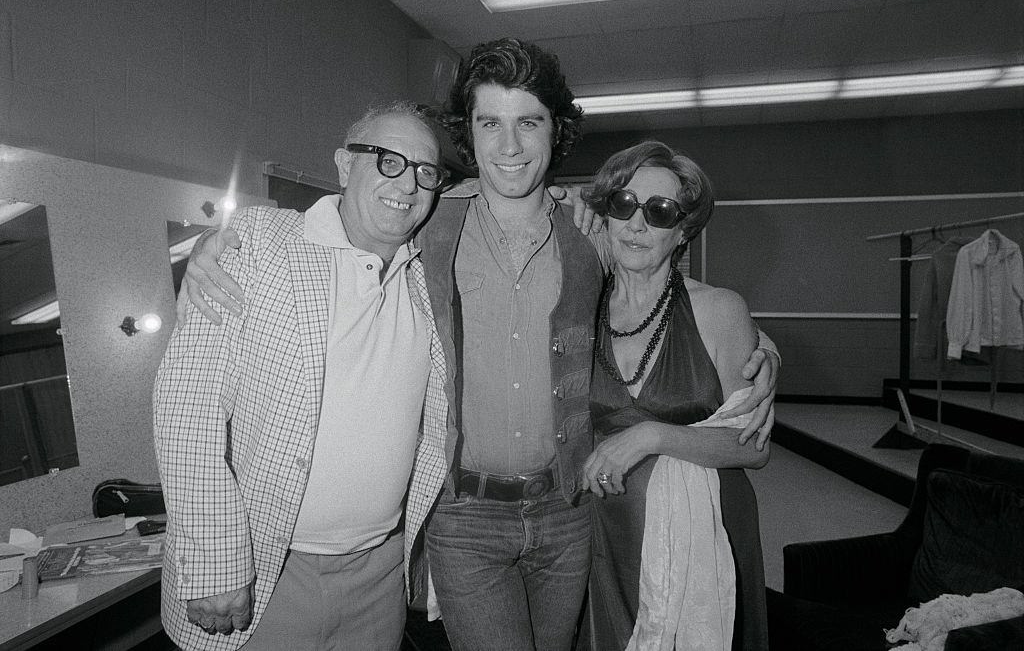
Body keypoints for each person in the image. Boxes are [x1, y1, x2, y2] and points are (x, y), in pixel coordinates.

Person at [177, 38, 779, 651]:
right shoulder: (429, 222)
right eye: (489, 123)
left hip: (568, 516)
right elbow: (351, 215)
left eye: (529, 123)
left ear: (556, 131)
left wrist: (758, 349)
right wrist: (225, 239)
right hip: (465, 519)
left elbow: (658, 291)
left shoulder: (587, 234)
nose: (509, 146)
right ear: (469, 133)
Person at [153, 101, 451, 651]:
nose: (407, 183)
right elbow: (187, 406)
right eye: (388, 160)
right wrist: (217, 561)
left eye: (425, 172)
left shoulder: (427, 277)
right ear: (344, 166)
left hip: (381, 576)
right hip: (265, 570)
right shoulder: (259, 243)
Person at [579, 141, 770, 650]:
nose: (637, 224)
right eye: (624, 204)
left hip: (706, 537)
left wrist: (651, 436)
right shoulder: (579, 308)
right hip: (607, 535)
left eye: (659, 211)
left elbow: (752, 446)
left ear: (683, 229)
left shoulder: (718, 310)